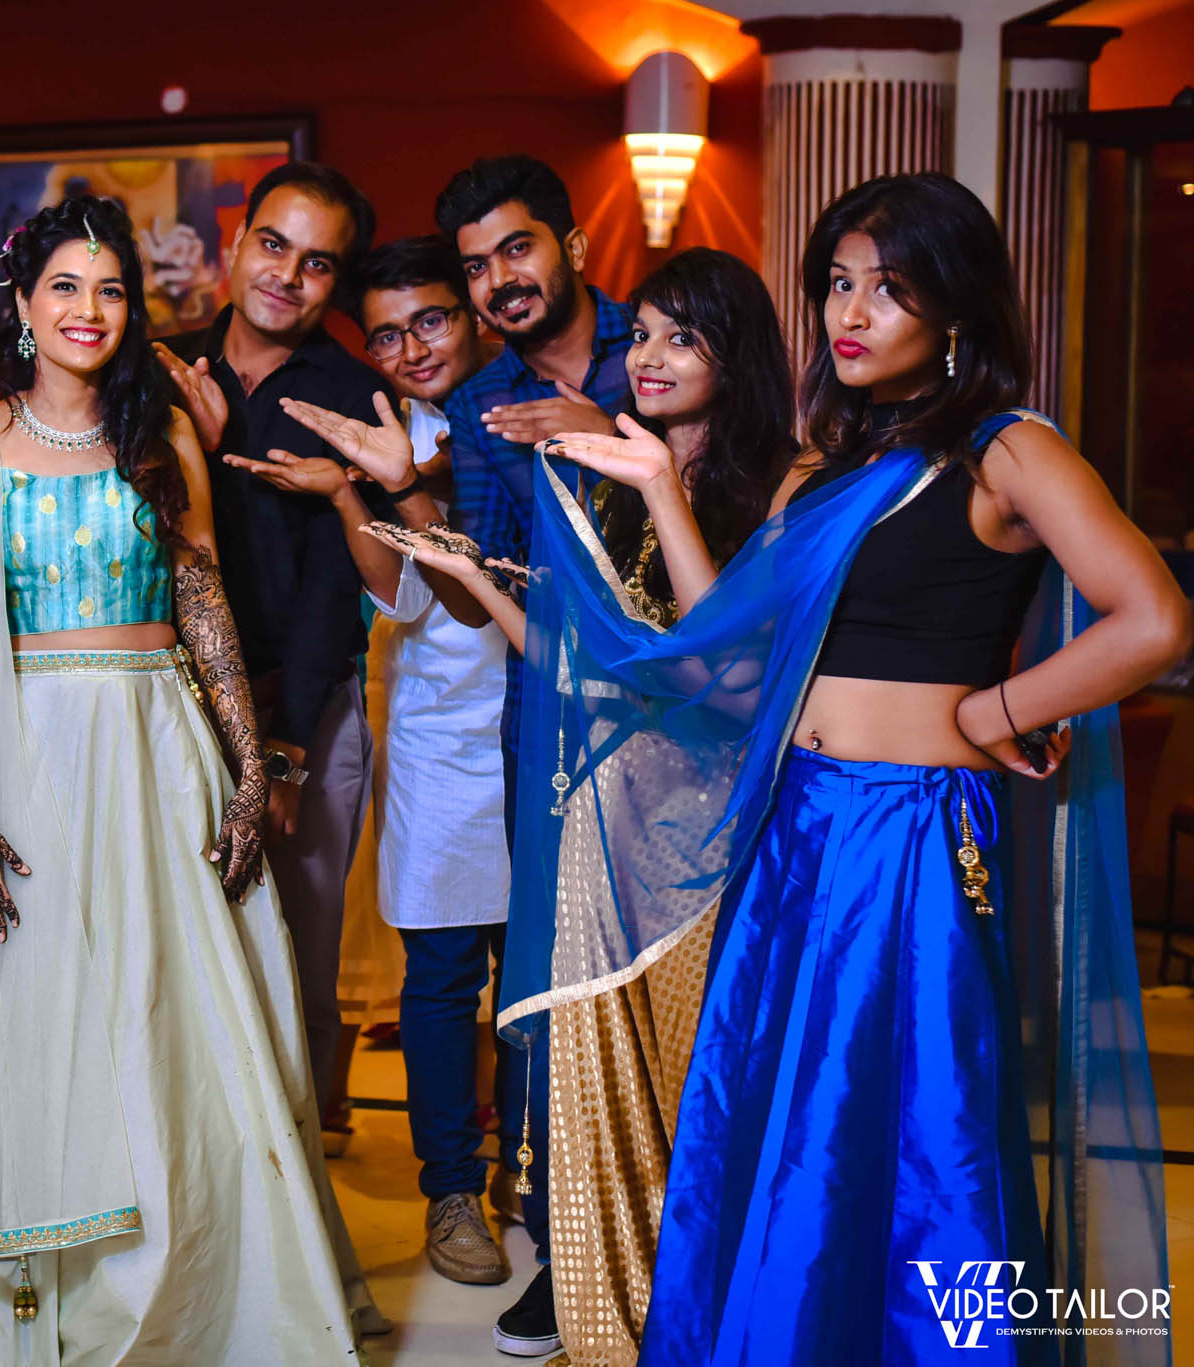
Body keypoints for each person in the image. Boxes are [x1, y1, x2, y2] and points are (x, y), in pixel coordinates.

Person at [531, 173, 1183, 1364]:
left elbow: (1150, 620)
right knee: (774, 1123)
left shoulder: (1005, 450)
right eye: (837, 283)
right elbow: (727, 669)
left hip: (910, 835)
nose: (853, 310)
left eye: (888, 288)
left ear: (954, 305)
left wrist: (993, 709)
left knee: (914, 1125)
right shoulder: (817, 468)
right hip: (795, 826)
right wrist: (661, 490)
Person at [0, 196, 379, 1364]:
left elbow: (201, 598)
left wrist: (249, 767)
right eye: (63, 288)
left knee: (164, 1001)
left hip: (154, 744)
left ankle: (183, 1274)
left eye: (108, 291)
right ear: (22, 304)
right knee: (16, 1002)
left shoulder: (162, 434)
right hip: (23, 745)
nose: (87, 312)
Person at [350, 247, 797, 1361]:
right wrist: (466, 565)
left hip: (711, 820)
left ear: (734, 355)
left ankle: (696, 1277)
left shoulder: (777, 484)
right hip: (603, 805)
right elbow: (575, 658)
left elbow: (724, 668)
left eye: (678, 337)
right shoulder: (601, 478)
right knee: (584, 1045)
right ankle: (587, 1268)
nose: (645, 358)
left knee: (696, 1052)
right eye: (638, 333)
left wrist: (654, 483)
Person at [269, 235, 524, 1287]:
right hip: (441, 734)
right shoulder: (392, 430)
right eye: (384, 330)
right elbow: (397, 593)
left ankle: (537, 1172)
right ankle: (450, 1191)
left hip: (550, 726)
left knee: (539, 980)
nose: (409, 345)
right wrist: (351, 495)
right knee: (442, 975)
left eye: (428, 319)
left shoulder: (525, 420)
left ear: (468, 315)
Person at [154, 161, 401, 1126]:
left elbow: (335, 591)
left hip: (303, 703)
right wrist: (204, 455)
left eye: (318, 264)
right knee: (176, 943)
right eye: (273, 245)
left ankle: (295, 1167)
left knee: (297, 944)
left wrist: (289, 751)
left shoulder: (352, 397)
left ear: (338, 283)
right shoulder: (160, 368)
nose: (286, 276)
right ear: (235, 242)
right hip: (171, 703)